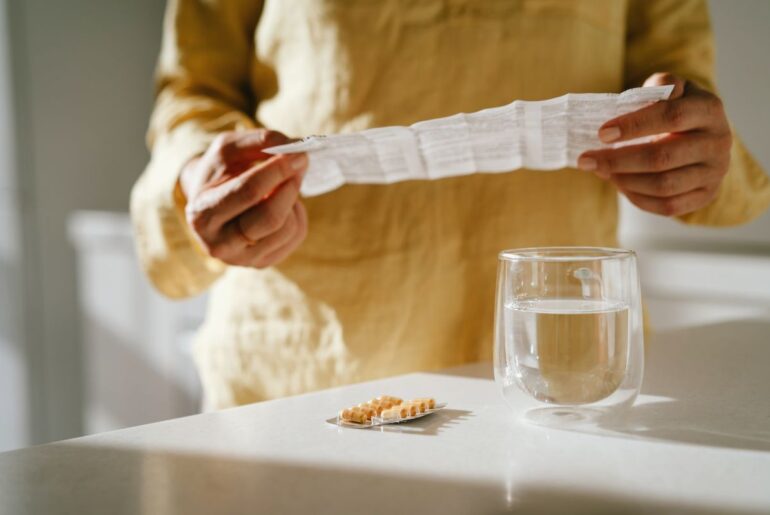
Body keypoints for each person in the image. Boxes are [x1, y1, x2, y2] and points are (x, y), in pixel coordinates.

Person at [131, 0, 770, 410]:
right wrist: (200, 174)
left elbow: (686, 102)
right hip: (307, 380)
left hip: (562, 381)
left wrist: (696, 149)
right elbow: (190, 92)